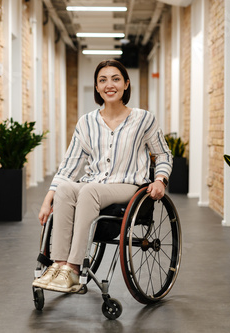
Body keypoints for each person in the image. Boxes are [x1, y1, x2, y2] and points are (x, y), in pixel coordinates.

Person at [33, 59, 172, 293]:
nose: (110, 85)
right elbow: (70, 165)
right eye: (103, 80)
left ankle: (74, 269)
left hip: (128, 185)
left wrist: (160, 179)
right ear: (97, 87)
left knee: (88, 190)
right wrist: (49, 198)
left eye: (116, 79)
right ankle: (58, 266)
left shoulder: (143, 119)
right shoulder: (86, 122)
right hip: (95, 184)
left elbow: (163, 154)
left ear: (126, 84)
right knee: (67, 188)